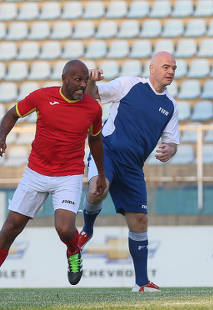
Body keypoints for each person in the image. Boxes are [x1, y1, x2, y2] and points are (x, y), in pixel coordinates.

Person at [78, 51, 180, 292]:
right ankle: (87, 230)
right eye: (166, 67)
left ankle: (141, 282)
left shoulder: (171, 106)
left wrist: (170, 150)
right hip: (108, 151)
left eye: (174, 68)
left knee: (140, 220)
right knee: (96, 189)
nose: (171, 71)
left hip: (133, 167)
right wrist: (92, 80)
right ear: (152, 68)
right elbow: (93, 96)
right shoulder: (130, 85)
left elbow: (172, 140)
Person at [0, 60, 106, 285]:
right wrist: (1, 137)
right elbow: (12, 114)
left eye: (85, 81)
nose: (82, 85)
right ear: (65, 79)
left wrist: (101, 174)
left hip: (68, 175)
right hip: (36, 172)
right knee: (9, 229)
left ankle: (73, 250)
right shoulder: (42, 97)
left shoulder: (93, 108)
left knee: (64, 228)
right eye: (78, 80)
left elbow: (95, 140)